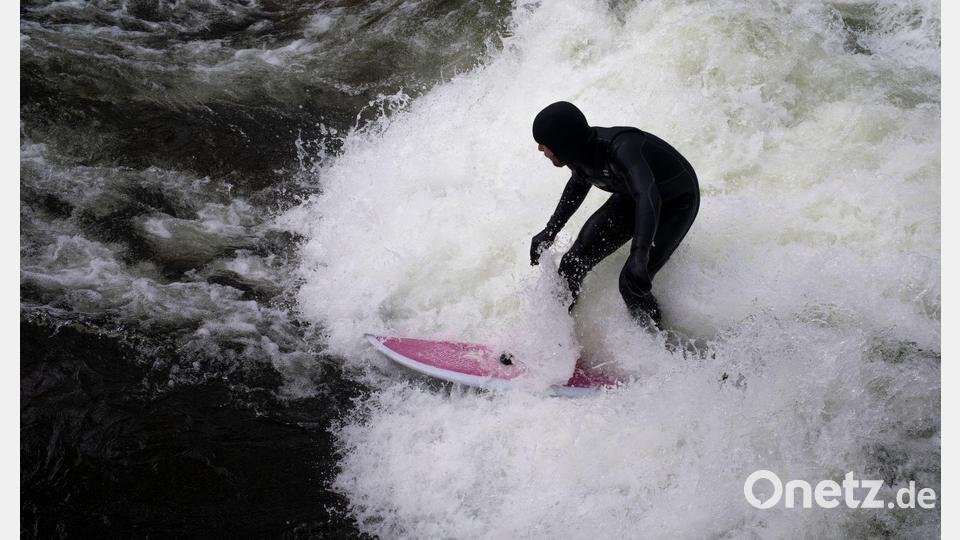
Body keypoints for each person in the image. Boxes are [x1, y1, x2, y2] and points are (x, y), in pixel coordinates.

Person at [530, 101, 700, 326]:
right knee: (572, 263)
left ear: (562, 142)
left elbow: (648, 197)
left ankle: (659, 345)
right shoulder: (577, 154)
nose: (541, 149)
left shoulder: (622, 149)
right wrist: (550, 230)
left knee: (631, 282)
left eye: (544, 144)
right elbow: (579, 183)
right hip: (634, 197)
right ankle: (555, 330)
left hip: (675, 204)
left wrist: (640, 253)